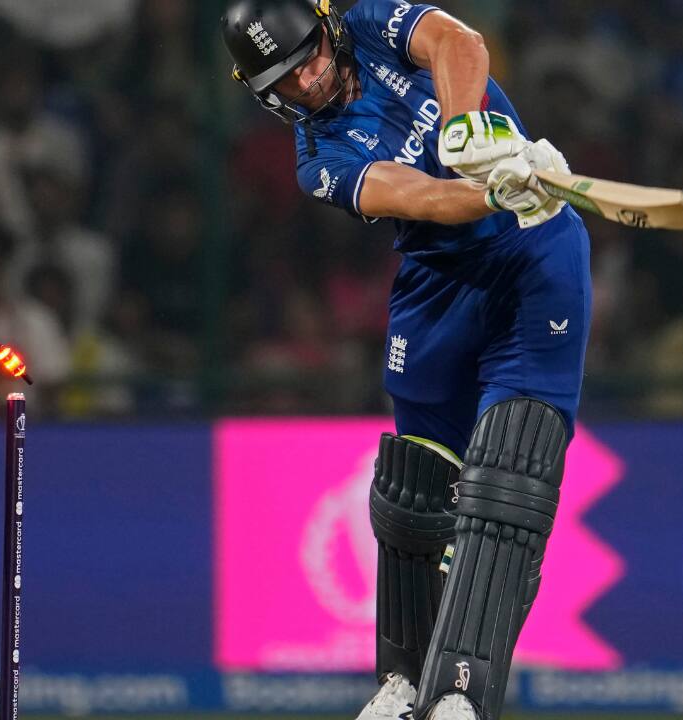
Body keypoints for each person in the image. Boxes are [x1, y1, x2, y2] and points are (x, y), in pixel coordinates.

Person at [220, 2, 592, 719]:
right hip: (438, 282)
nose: (311, 80)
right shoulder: (317, 160)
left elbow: (459, 42)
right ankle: (403, 683)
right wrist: (486, 188)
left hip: (536, 256)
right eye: (289, 80)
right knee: (414, 488)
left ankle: (460, 693)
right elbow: (415, 196)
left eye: (312, 57)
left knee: (510, 475)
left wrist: (466, 131)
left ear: (326, 28)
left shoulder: (368, 19)